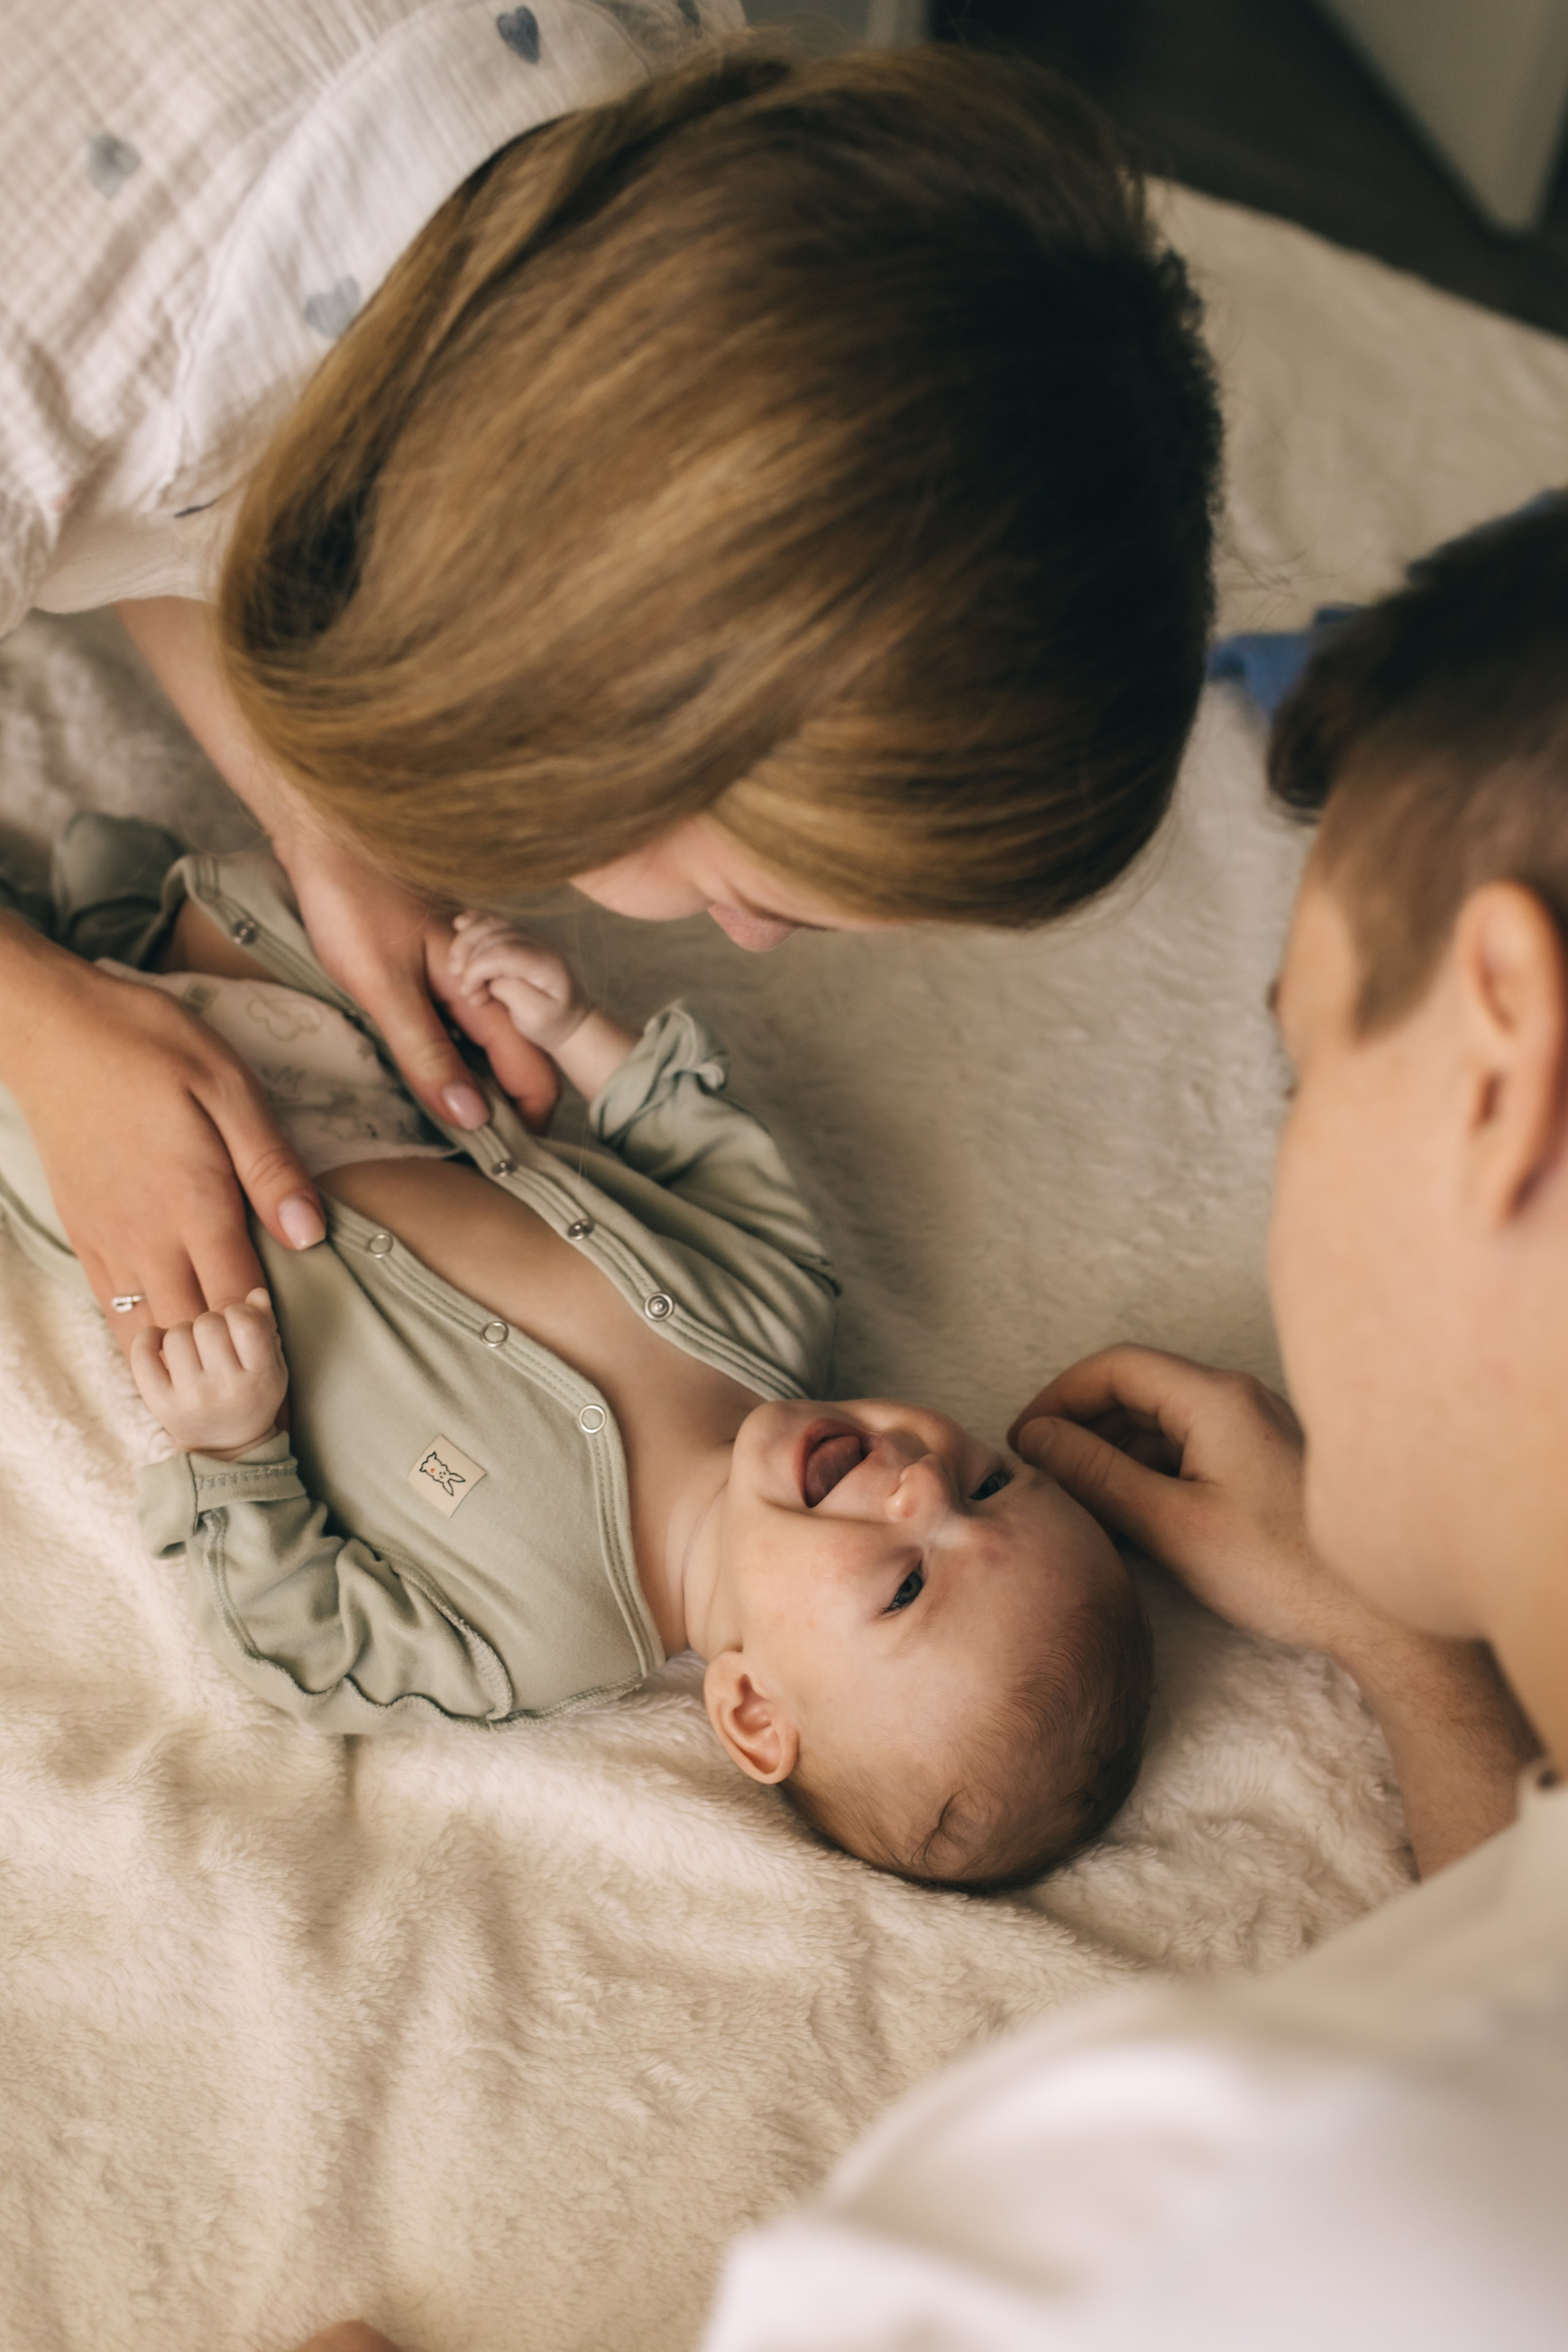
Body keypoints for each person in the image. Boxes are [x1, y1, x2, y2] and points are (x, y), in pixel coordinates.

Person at [1, 0, 1222, 1366]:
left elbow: (202, 483)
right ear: (601, 705)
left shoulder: (638, 113)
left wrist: (308, 810)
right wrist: (44, 1029)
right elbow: (122, 440)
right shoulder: (56, 355)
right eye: (752, 897)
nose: (747, 946)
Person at [688, 494, 1568, 2345]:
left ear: (1503, 1060)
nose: (922, 1474)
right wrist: (1410, 1656)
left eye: (1304, 1072)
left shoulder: (1161, 2225)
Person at [0, 816, 1152, 1888]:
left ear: (754, 1709)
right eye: (989, 1483)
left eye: (906, 1586)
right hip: (351, 1074)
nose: (919, 1483)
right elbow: (708, 1150)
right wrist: (570, 1028)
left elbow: (305, 1645)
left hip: (169, 1205)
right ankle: (113, 931)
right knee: (303, 905)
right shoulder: (775, 1317)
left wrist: (235, 1446)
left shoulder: (529, 1640)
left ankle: (73, 956)